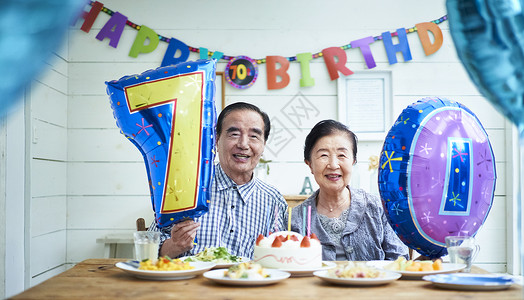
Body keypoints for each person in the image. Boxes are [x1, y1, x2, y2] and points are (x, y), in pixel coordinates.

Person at [150, 102, 288, 259]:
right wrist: (174, 245)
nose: (243, 144)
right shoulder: (184, 188)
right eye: (234, 134)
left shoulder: (273, 200)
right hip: (191, 283)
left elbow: (279, 259)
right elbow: (147, 253)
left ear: (263, 145)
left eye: (254, 136)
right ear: (217, 139)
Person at [291, 120, 409, 261]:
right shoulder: (297, 219)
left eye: (342, 155)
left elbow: (399, 261)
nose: (333, 165)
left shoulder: (378, 208)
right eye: (323, 155)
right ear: (309, 164)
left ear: (353, 161)